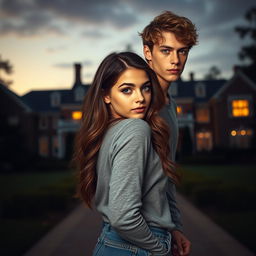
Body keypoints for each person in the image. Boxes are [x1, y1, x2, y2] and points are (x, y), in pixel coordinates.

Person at [74, 51, 181, 255]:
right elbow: (123, 217)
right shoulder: (135, 129)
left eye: (146, 88)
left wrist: (174, 229)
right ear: (106, 95)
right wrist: (159, 250)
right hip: (136, 245)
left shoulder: (107, 131)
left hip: (113, 242)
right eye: (127, 90)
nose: (140, 98)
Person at [140, 11, 198, 256]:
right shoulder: (138, 102)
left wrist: (174, 228)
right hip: (135, 238)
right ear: (147, 53)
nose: (176, 60)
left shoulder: (170, 104)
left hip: (160, 232)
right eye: (166, 50)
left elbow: (166, 175)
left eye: (182, 51)